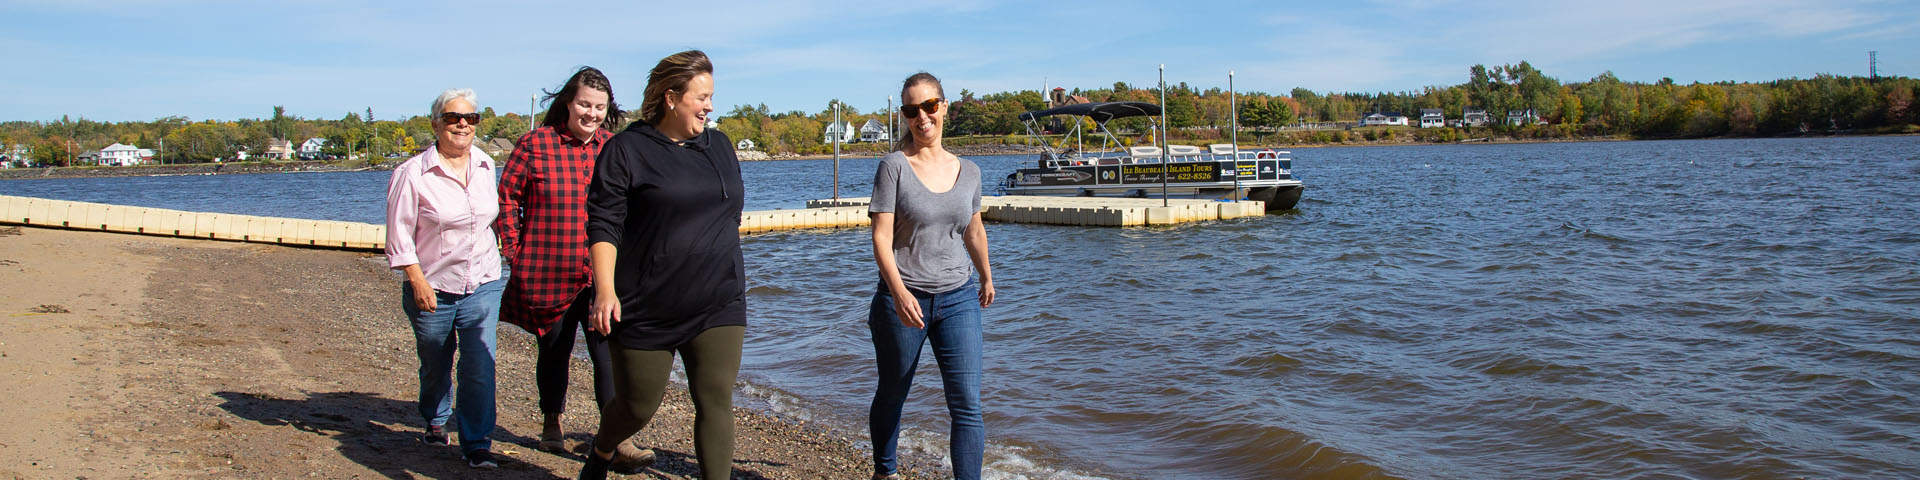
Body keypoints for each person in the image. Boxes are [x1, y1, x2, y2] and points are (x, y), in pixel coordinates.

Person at [577, 50, 745, 480]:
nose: (709, 106)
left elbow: (728, 216)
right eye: (701, 97)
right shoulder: (627, 150)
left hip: (718, 300)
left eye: (711, 97)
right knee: (636, 406)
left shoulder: (721, 145)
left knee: (714, 399)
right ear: (672, 97)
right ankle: (602, 451)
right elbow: (604, 225)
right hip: (647, 304)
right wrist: (606, 290)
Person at [493, 66, 655, 469]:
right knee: (554, 351)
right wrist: (515, 251)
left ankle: (615, 439)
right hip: (549, 270)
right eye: (585, 104)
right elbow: (506, 200)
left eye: (600, 107)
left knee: (609, 356)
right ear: (568, 102)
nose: (592, 114)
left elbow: (636, 207)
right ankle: (552, 423)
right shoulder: (534, 145)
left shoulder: (615, 148)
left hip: (603, 276)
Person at [866, 72, 995, 480]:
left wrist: (987, 277)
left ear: (944, 108)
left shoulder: (969, 171)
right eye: (911, 110)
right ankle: (886, 472)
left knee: (967, 404)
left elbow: (974, 230)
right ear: (904, 116)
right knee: (893, 393)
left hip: (959, 296)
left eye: (929, 106)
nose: (922, 116)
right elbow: (881, 238)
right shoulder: (893, 167)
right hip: (904, 300)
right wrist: (899, 292)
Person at [385, 88, 506, 469]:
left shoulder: (486, 166)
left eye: (471, 118)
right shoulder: (412, 174)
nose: (463, 124)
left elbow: (492, 220)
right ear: (436, 123)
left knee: (480, 366)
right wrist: (417, 280)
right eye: (454, 118)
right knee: (435, 363)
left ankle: (477, 444)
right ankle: (437, 418)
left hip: (484, 282)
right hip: (433, 285)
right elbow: (399, 235)